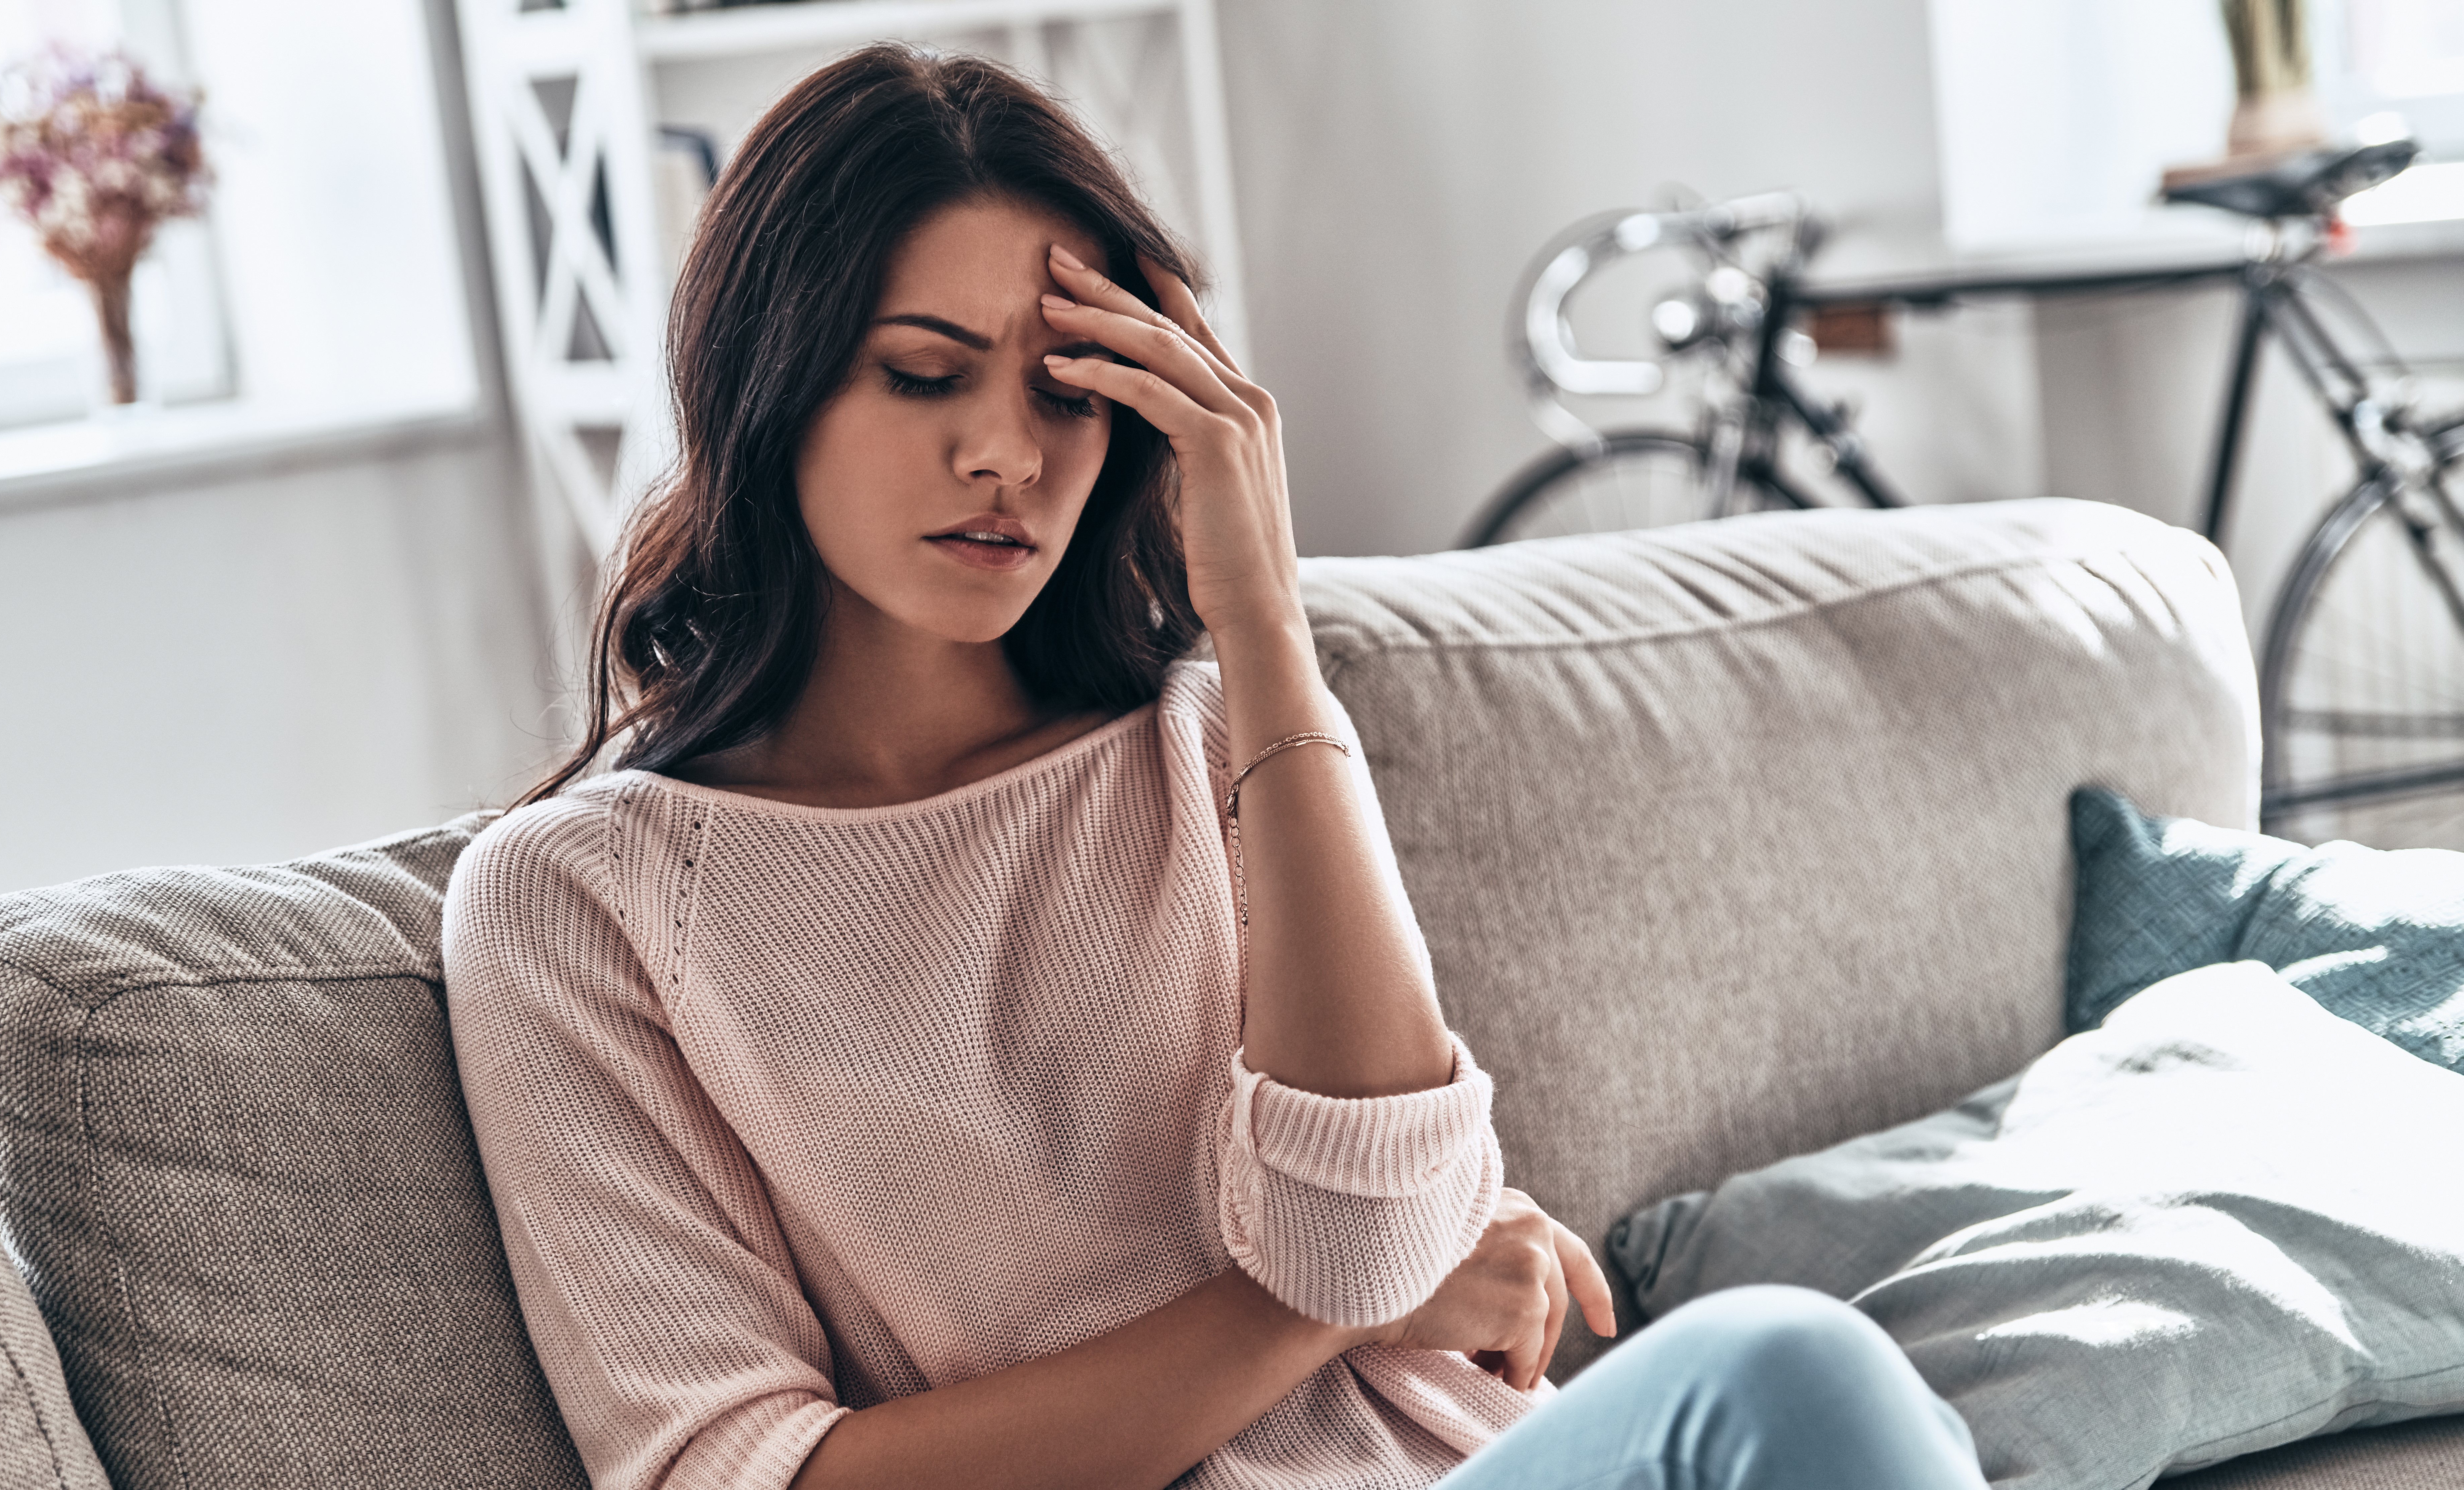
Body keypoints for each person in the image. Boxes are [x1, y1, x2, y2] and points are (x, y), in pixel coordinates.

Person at [442, 42, 1988, 1490]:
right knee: (1782, 1365)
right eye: (924, 374)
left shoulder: (1208, 741)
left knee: (1830, 1390)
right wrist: (1316, 1311)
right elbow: (746, 1469)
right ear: (763, 389)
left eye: (1068, 391)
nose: (1009, 453)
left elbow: (1376, 1212)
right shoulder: (580, 902)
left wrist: (1259, 618)